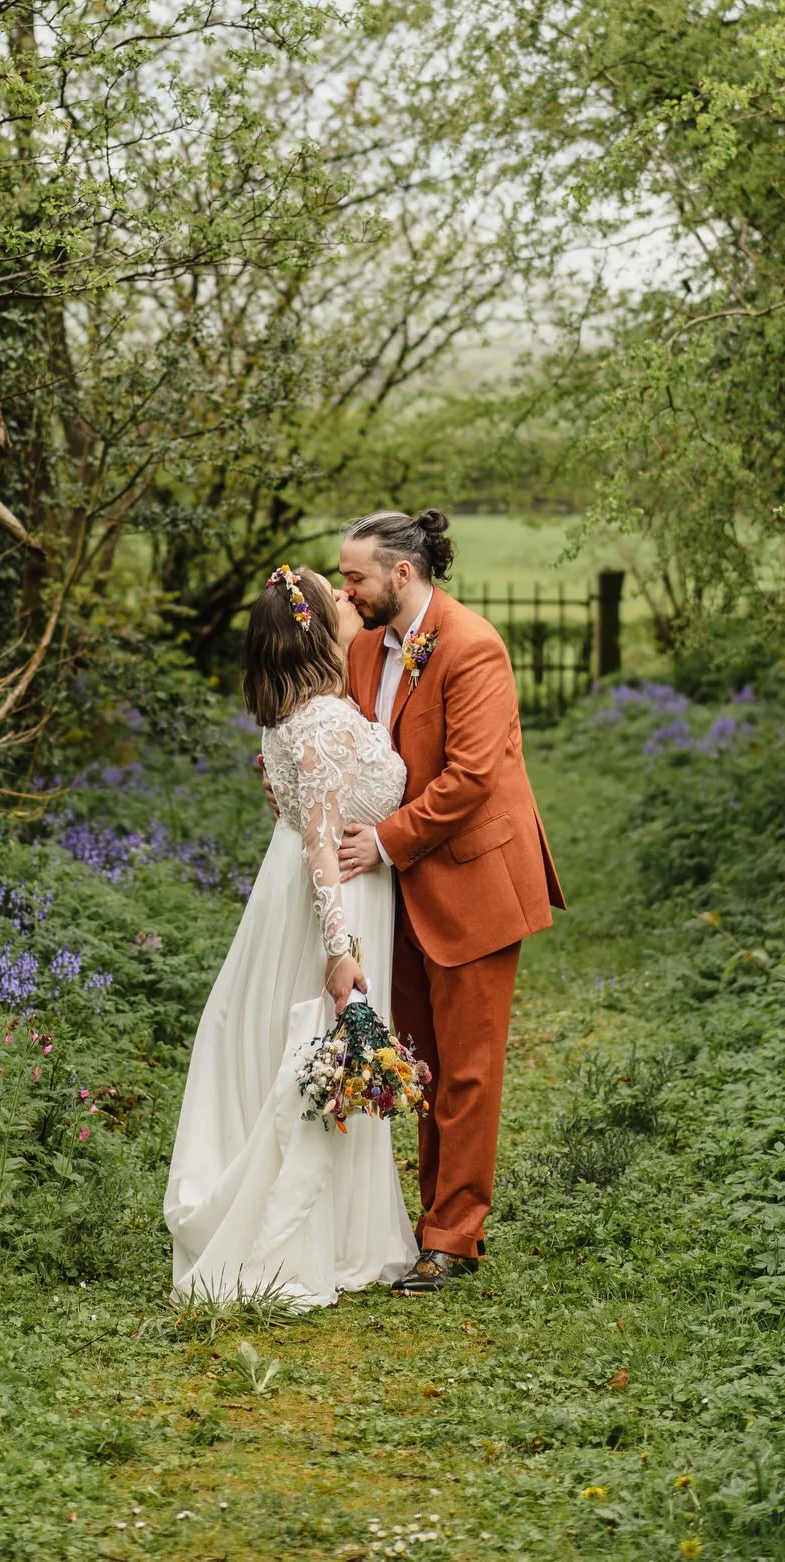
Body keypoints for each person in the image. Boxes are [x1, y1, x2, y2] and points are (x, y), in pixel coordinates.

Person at [164, 564, 417, 1307]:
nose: (347, 597)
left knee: (304, 1050)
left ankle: (331, 1224)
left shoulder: (288, 718)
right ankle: (316, 1237)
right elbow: (320, 844)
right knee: (322, 1049)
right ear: (316, 628)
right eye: (335, 595)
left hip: (292, 892)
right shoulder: (327, 721)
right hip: (330, 898)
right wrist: (340, 952)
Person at [336, 508, 565, 1294]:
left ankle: (453, 1238)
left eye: (356, 577)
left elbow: (469, 779)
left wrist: (383, 841)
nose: (346, 591)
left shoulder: (473, 647)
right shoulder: (364, 648)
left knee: (467, 1071)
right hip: (398, 893)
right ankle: (431, 1216)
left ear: (402, 573)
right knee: (421, 1062)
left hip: (472, 882)